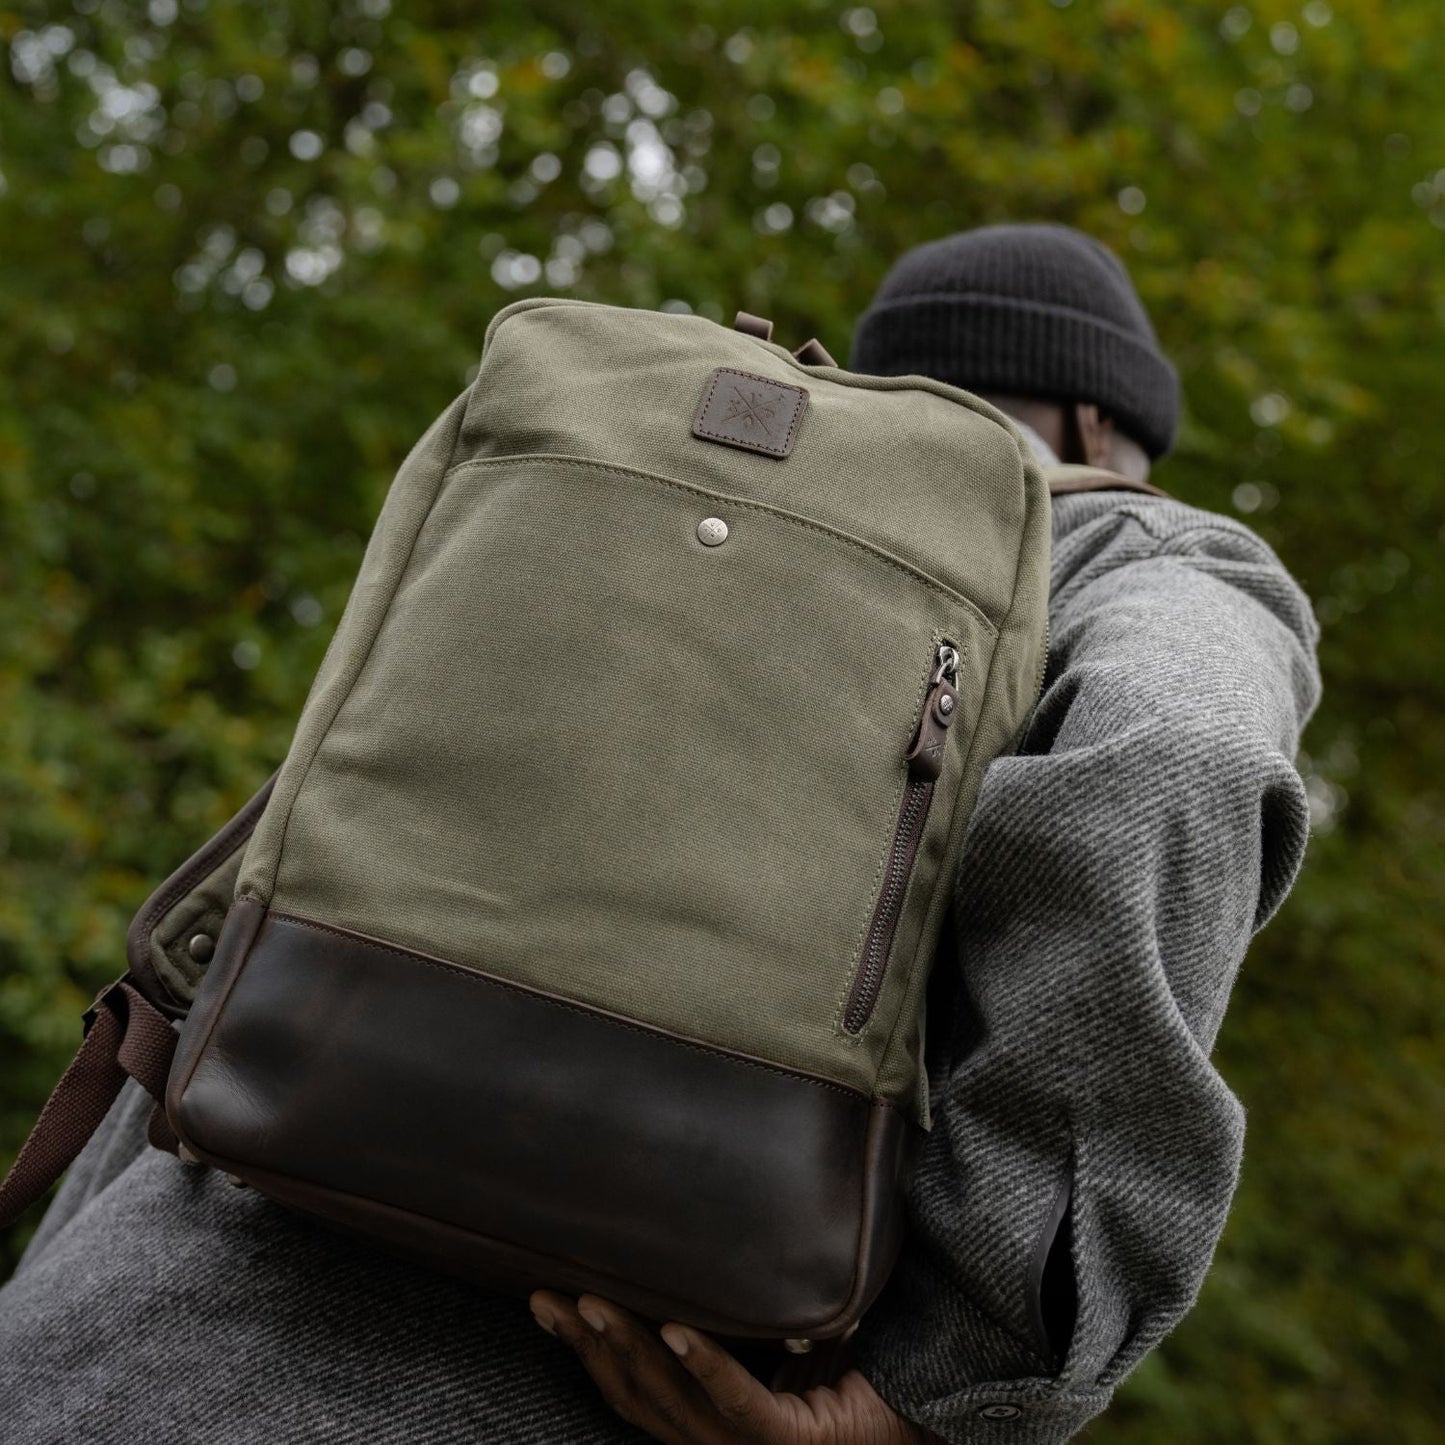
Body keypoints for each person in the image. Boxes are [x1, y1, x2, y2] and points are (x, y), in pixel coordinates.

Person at [0, 224, 1320, 1445]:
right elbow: (1181, 743)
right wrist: (948, 1387)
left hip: (106, 1321)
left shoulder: (625, 477)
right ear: (1100, 418)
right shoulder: (1141, 554)